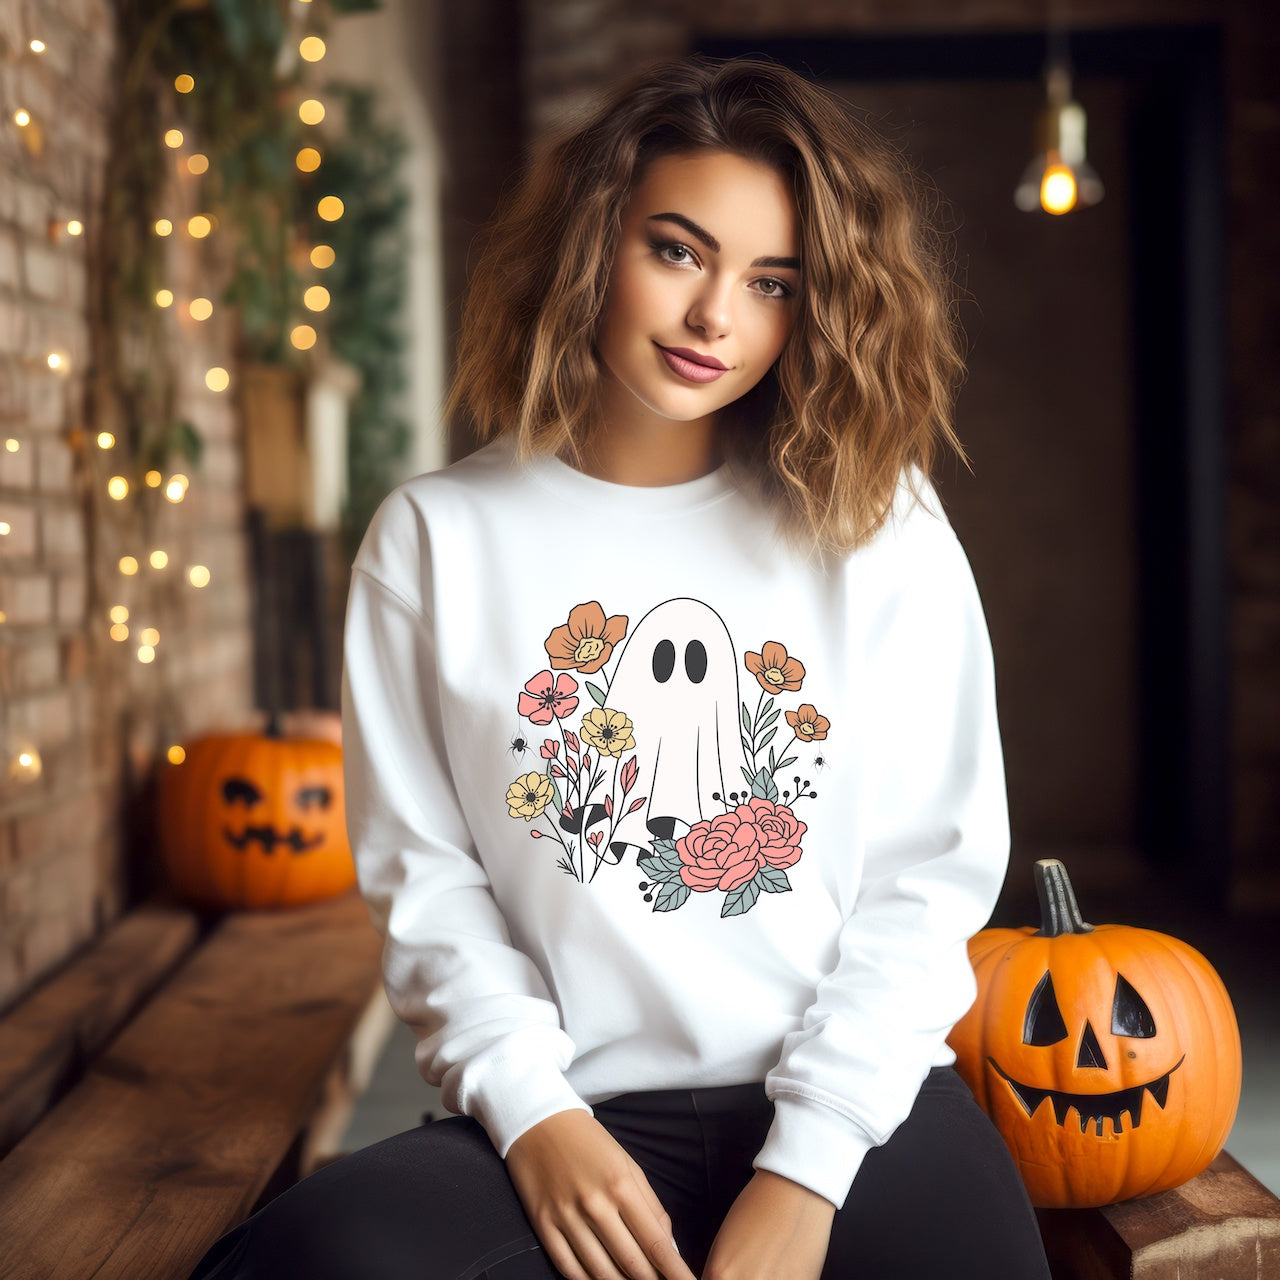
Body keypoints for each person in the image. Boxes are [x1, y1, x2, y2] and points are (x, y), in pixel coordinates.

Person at [189, 55, 1051, 1280]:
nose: (716, 318)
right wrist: (536, 1118)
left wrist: (803, 1172)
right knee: (299, 1265)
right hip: (576, 1112)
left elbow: (929, 872)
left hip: (857, 1104)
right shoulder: (436, 540)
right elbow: (430, 885)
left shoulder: (876, 518)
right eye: (678, 250)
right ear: (596, 241)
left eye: (771, 282)